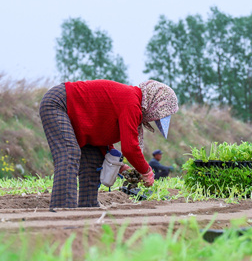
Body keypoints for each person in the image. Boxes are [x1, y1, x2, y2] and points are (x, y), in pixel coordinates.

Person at [39, 79, 178, 209]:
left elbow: (100, 136)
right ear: (154, 102)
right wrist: (146, 171)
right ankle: (63, 209)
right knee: (70, 153)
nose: (155, 117)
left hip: (81, 121)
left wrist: (120, 166)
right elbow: (130, 148)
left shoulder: (131, 102)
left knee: (93, 160)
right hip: (58, 103)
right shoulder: (131, 101)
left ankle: (87, 209)